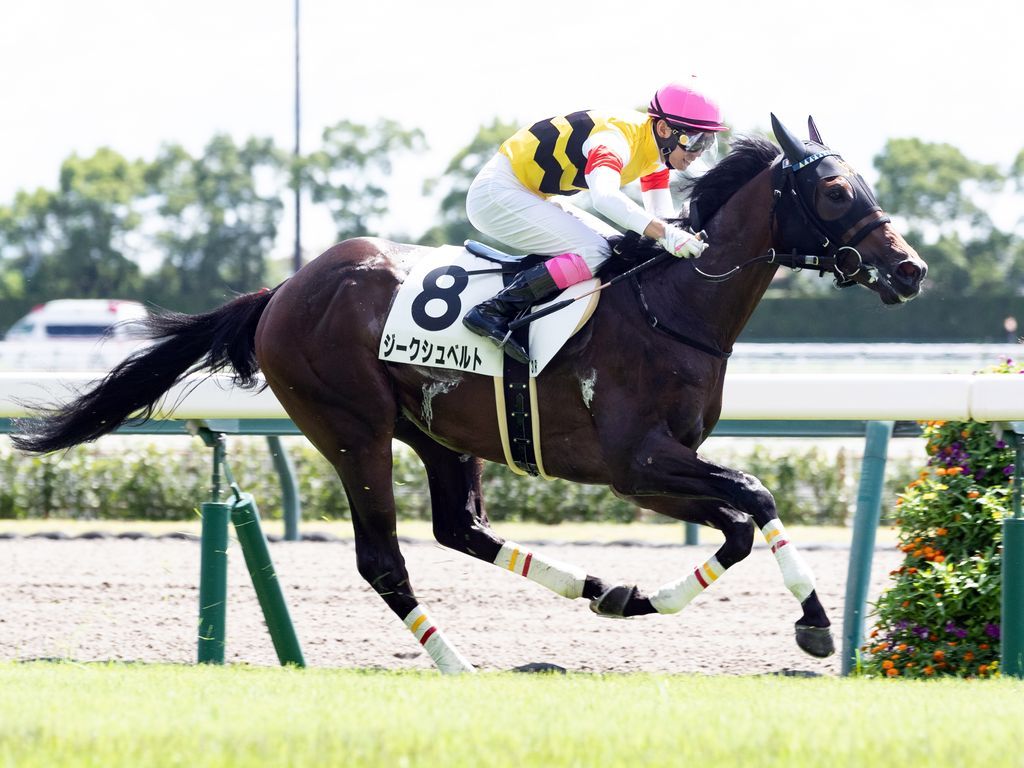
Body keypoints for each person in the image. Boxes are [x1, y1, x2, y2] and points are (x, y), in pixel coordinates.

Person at [462, 80, 728, 363]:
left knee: (616, 249)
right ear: (664, 129)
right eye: (696, 141)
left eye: (707, 142)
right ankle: (495, 309)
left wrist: (681, 234)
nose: (698, 152)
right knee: (594, 252)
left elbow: (661, 218)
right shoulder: (616, 138)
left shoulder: (655, 153)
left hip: (528, 192)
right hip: (496, 193)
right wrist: (666, 234)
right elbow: (605, 198)